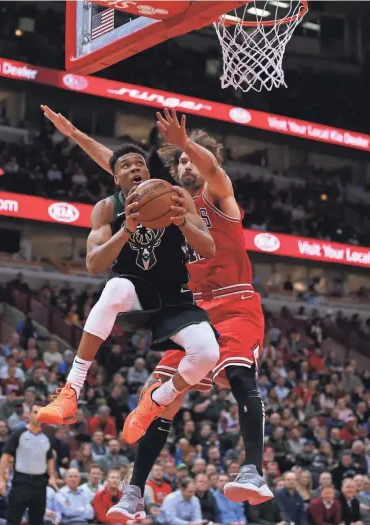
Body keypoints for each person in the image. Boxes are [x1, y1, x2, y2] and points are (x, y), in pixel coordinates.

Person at [109, 111, 270, 516]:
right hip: (194, 312)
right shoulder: (166, 209)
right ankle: (133, 494)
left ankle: (253, 470)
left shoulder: (219, 196)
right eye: (179, 161)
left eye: (191, 158)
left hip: (235, 301)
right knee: (162, 399)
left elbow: (213, 168)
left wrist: (186, 143)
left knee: (237, 373)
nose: (185, 164)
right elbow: (119, 176)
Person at [37, 106, 219, 433]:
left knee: (207, 353)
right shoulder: (107, 208)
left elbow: (208, 249)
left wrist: (182, 223)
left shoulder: (174, 196)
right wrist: (126, 230)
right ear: (116, 176)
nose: (135, 168)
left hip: (175, 297)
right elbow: (94, 265)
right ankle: (71, 391)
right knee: (116, 287)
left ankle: (157, 399)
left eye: (140, 164)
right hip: (137, 295)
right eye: (126, 165)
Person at [0, 402, 58, 525]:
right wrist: (1, 479)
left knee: (37, 520)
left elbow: (50, 458)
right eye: (35, 412)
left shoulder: (46, 438)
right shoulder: (18, 433)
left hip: (40, 483)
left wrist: (51, 476)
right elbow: (5, 456)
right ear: (29, 415)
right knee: (14, 519)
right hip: (21, 481)